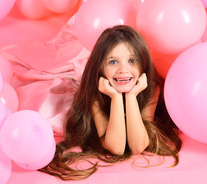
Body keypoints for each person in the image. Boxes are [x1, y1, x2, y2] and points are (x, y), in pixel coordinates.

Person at [39, 25, 182, 180]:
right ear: (100, 67)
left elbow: (137, 147)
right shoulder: (96, 94)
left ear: (143, 64)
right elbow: (117, 148)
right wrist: (115, 98)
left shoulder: (150, 87)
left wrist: (131, 96)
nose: (123, 70)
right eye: (113, 62)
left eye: (132, 60)